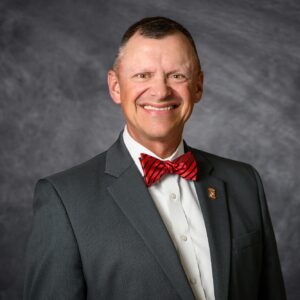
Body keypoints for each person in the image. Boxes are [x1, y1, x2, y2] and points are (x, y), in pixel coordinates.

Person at [24, 16, 286, 300]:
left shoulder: (244, 182)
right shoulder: (65, 199)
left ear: (198, 86)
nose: (161, 92)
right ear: (115, 87)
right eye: (142, 75)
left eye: (177, 76)